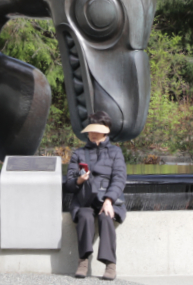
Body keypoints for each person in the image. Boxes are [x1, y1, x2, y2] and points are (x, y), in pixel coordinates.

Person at [64, 110, 126, 281]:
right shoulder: (79, 154)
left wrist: (109, 200)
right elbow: (69, 184)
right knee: (84, 216)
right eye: (90, 130)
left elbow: (119, 178)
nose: (92, 134)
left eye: (96, 131)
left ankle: (110, 264)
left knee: (106, 217)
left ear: (105, 130)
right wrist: (79, 180)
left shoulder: (115, 153)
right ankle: (83, 262)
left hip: (108, 198)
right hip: (84, 200)